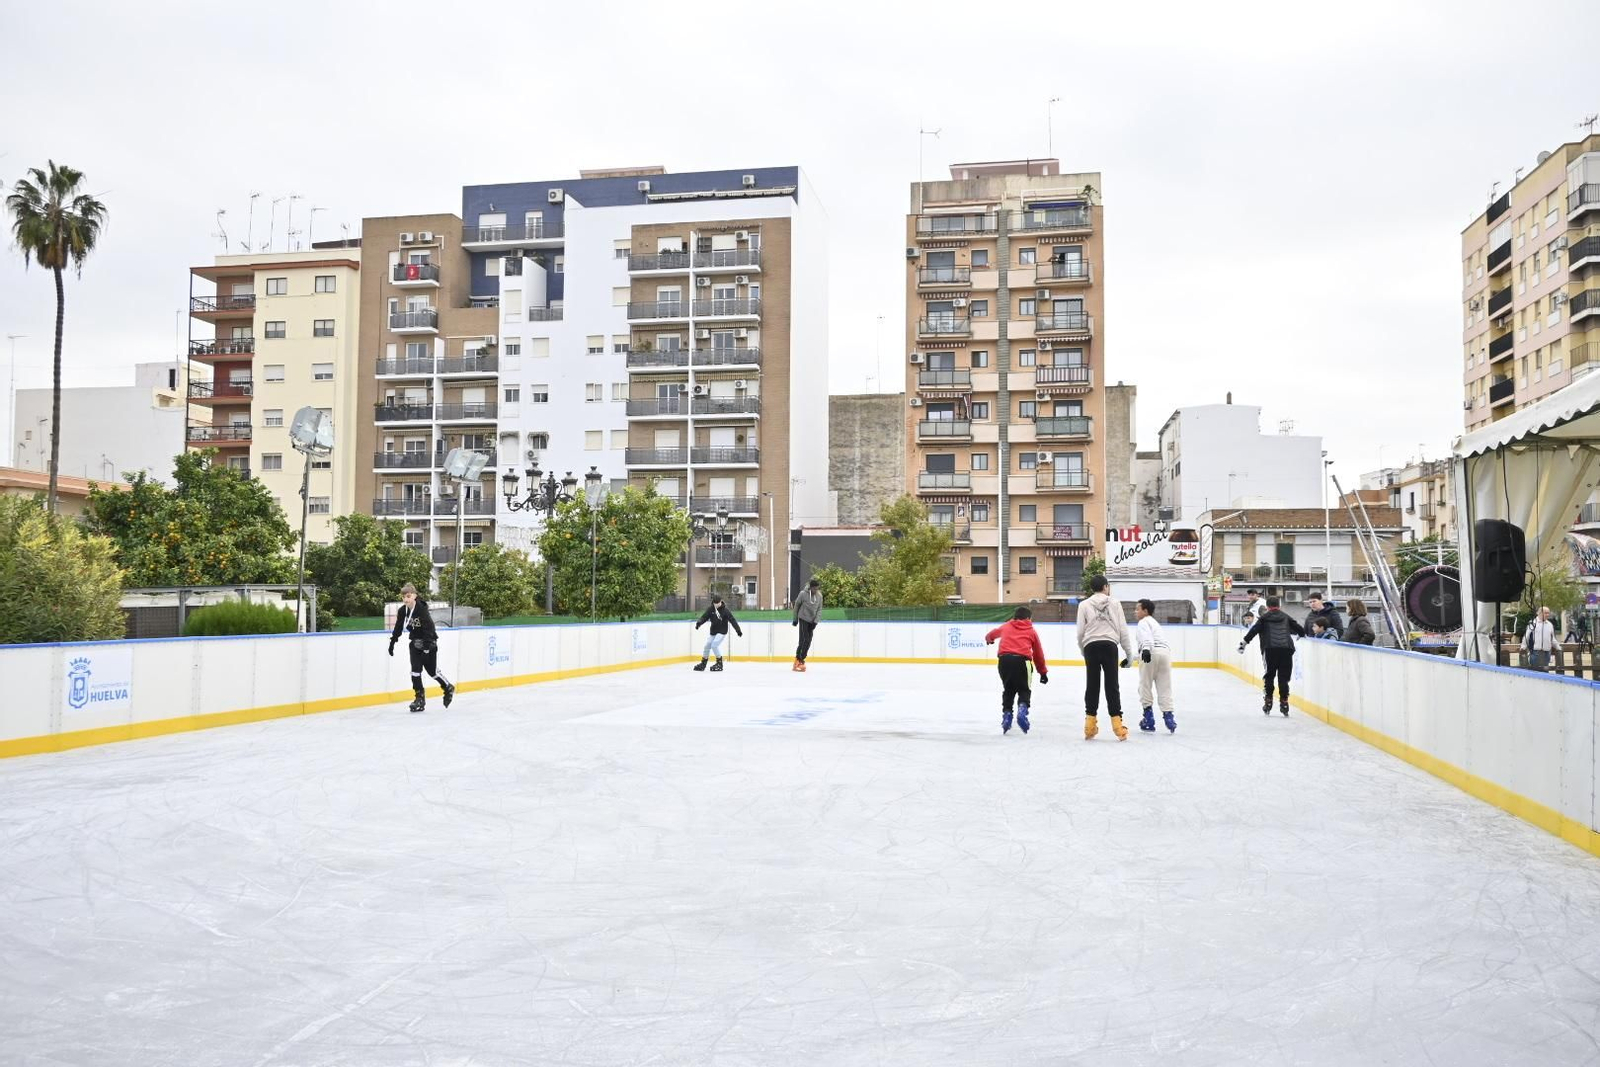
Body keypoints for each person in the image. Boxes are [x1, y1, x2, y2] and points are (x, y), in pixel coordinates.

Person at [1078, 574, 1135, 740]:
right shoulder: (1115, 603)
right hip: (1110, 646)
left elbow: (1080, 632)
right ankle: (1118, 727)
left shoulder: (1084, 605)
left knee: (1092, 684)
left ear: (1092, 588)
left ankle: (1089, 726)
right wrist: (1129, 653)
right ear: (1105, 587)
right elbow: (1123, 629)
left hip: (1091, 646)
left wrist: (1084, 649)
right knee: (1112, 685)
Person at [389, 582, 454, 714]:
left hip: (429, 643)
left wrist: (426, 648)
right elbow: (398, 627)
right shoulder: (403, 611)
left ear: (414, 596)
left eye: (408, 596)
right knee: (415, 671)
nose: (406, 599)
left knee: (432, 672)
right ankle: (419, 698)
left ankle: (447, 687)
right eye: (403, 597)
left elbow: (429, 629)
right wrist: (393, 641)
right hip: (414, 643)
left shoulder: (421, 609)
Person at [985, 606, 1048, 735]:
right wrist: (1042, 672)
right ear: (1029, 618)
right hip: (1022, 662)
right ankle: (1022, 710)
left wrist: (989, 640)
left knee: (1008, 690)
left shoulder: (1007, 625)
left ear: (1014, 617)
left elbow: (992, 634)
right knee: (1024, 689)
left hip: (1004, 660)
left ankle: (1007, 714)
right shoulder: (1031, 631)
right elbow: (1038, 653)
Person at [1239, 594, 1304, 716]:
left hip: (1270, 649)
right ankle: (1284, 702)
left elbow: (1253, 631)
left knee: (1270, 675)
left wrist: (1244, 642)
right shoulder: (1285, 616)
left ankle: (1268, 700)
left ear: (1267, 607)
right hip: (1286, 649)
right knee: (1283, 677)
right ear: (1279, 606)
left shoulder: (1264, 618)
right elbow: (1298, 628)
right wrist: (1301, 634)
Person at [1134, 599, 1176, 733]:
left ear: (1145, 611)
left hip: (1150, 653)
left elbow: (1147, 639)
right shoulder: (1156, 624)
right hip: (1165, 654)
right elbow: (1156, 642)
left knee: (1144, 685)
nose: (1135, 612)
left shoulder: (1143, 622)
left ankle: (1148, 717)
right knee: (1165, 686)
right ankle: (1169, 716)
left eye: (1137, 609)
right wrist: (1131, 659)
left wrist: (1146, 648)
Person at [693, 594, 743, 672]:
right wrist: (699, 623)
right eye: (715, 603)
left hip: (722, 631)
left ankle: (719, 663)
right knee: (707, 645)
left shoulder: (725, 611)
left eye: (718, 603)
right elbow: (704, 617)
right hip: (713, 631)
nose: (716, 605)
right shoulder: (711, 609)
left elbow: (732, 620)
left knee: (714, 645)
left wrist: (738, 630)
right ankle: (703, 663)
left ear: (721, 602)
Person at [791, 577, 823, 672]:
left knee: (808, 641)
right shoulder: (803, 594)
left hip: (812, 621)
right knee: (804, 639)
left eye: (817, 589)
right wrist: (795, 619)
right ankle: (799, 660)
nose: (815, 590)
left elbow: (819, 609)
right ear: (810, 587)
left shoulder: (819, 596)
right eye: (814, 589)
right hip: (803, 618)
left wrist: (816, 622)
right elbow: (797, 606)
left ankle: (800, 659)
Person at [1523, 606, 1557, 671]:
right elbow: (1527, 635)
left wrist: (1558, 647)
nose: (1548, 615)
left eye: (1548, 613)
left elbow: (1552, 638)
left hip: (1547, 652)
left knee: (1545, 671)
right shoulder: (1533, 623)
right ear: (1540, 613)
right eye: (1546, 613)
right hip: (1535, 652)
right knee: (1535, 671)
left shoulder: (1550, 624)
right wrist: (1523, 646)